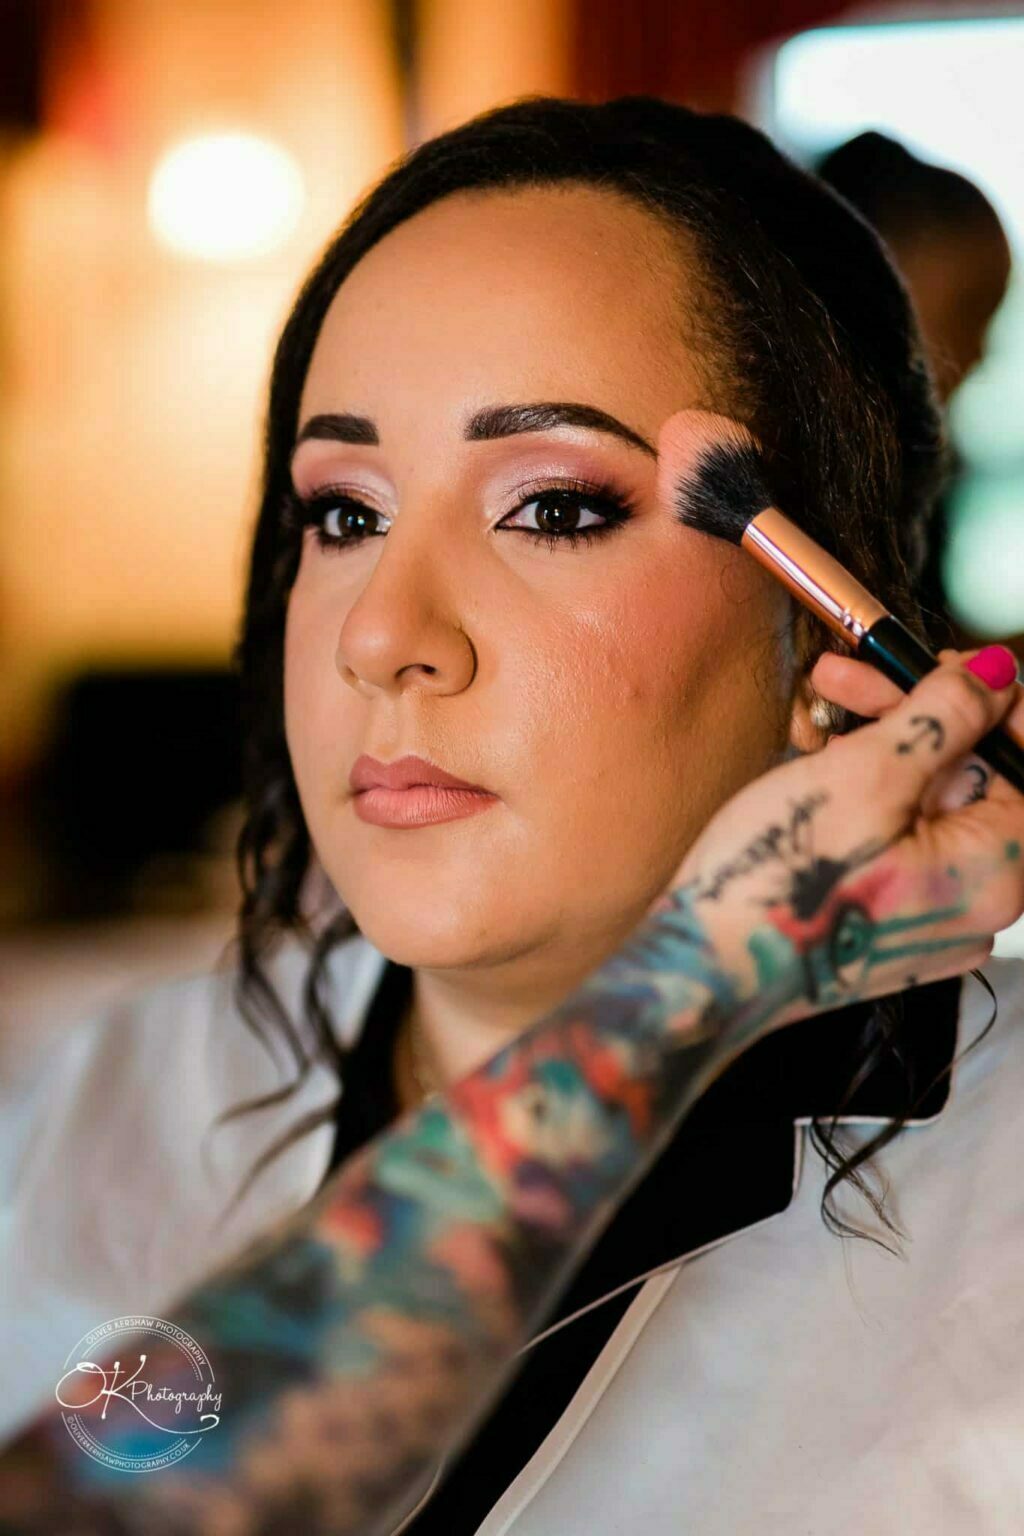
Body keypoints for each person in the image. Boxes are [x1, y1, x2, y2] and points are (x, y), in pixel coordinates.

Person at [1, 96, 1023, 1533]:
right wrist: (683, 994)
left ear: (824, 648)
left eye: (551, 507)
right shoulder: (103, 1100)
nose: (383, 636)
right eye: (344, 514)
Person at [818, 131, 1013, 647]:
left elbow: (922, 641)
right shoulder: (829, 483)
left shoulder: (920, 466)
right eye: (970, 313)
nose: (981, 353)